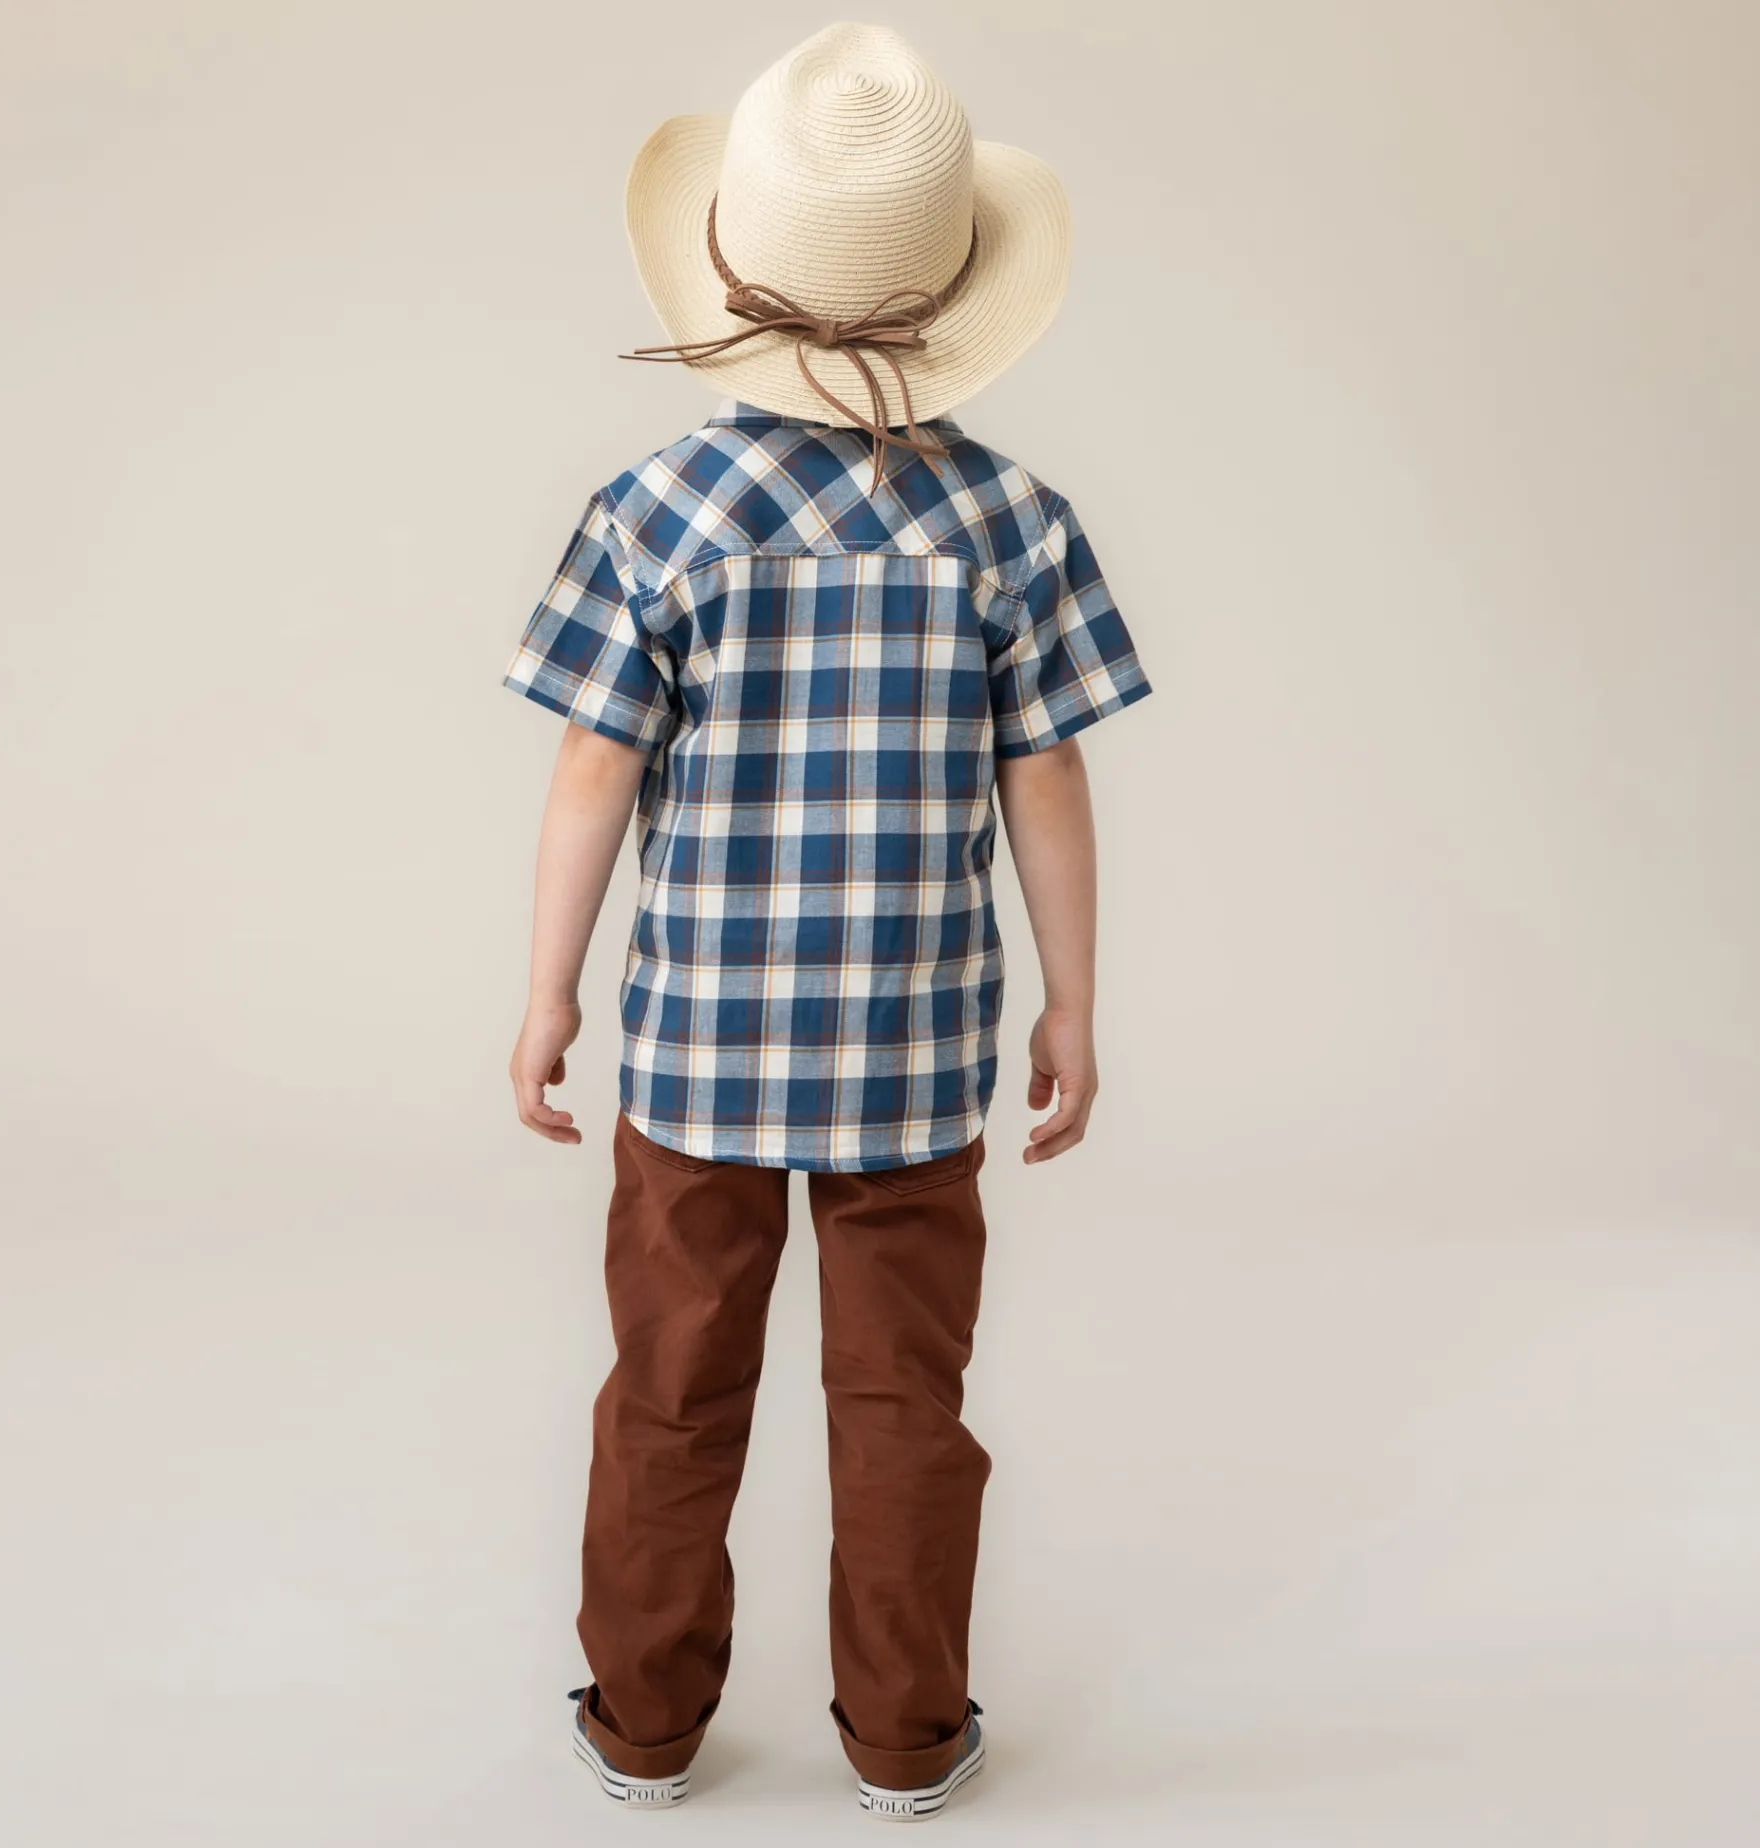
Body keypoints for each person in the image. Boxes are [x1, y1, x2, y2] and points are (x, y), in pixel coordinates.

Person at [501, 22, 1151, 1821]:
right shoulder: (1013, 522)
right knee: (903, 1405)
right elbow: (1046, 778)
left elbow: (591, 769)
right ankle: (907, 1739)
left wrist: (548, 993)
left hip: (697, 1057)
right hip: (912, 1060)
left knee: (669, 1390)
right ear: (949, 294)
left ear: (734, 277)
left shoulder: (655, 511)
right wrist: (1073, 1003)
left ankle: (643, 1726)